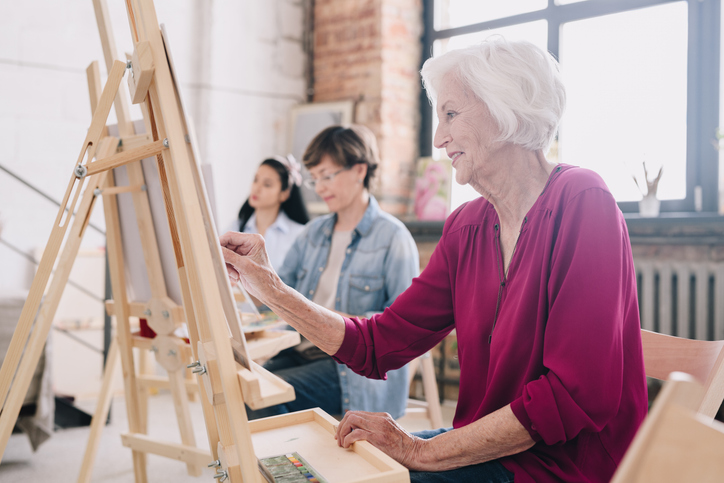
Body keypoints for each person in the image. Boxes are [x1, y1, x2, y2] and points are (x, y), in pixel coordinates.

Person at [221, 37, 647, 483]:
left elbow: (572, 396)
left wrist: (417, 449)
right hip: (486, 451)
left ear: (509, 109)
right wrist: (270, 288)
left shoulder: (582, 201)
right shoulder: (466, 228)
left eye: (451, 114)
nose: (439, 138)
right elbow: (377, 344)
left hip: (561, 468)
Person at [243, 125, 420, 421]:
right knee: (240, 386)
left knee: (263, 397)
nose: (321, 188)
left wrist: (333, 320)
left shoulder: (393, 238)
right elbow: (276, 291)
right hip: (302, 349)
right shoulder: (313, 233)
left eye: (327, 176)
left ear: (359, 170)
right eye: (315, 180)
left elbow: (403, 329)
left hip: (350, 367)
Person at [231, 155, 309, 271]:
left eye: (267, 184)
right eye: (255, 180)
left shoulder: (299, 235)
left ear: (284, 194)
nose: (256, 188)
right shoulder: (235, 228)